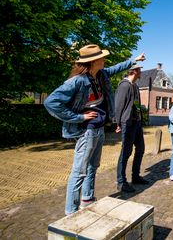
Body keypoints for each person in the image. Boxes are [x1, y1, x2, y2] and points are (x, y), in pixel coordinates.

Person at [44, 44, 145, 215]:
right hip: (86, 131)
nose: (105, 60)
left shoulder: (101, 75)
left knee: (93, 167)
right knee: (79, 171)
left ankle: (88, 199)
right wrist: (79, 117)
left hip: (99, 129)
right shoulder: (77, 81)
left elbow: (115, 68)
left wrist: (133, 61)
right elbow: (51, 102)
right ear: (93, 61)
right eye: (102, 57)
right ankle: (71, 211)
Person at [114, 64, 149, 192]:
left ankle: (135, 177)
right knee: (126, 152)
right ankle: (121, 182)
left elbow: (136, 104)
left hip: (137, 123)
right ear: (134, 71)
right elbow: (118, 105)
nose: (141, 73)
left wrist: (140, 118)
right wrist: (117, 123)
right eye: (140, 70)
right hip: (127, 123)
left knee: (140, 149)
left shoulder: (135, 86)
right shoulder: (124, 86)